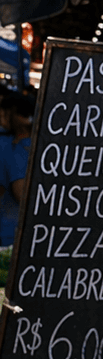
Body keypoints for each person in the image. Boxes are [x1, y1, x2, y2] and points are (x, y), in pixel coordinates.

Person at [0, 94, 33, 247]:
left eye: (5, 114)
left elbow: (21, 192)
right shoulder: (43, 144)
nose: (2, 118)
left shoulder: (13, 148)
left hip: (11, 234)